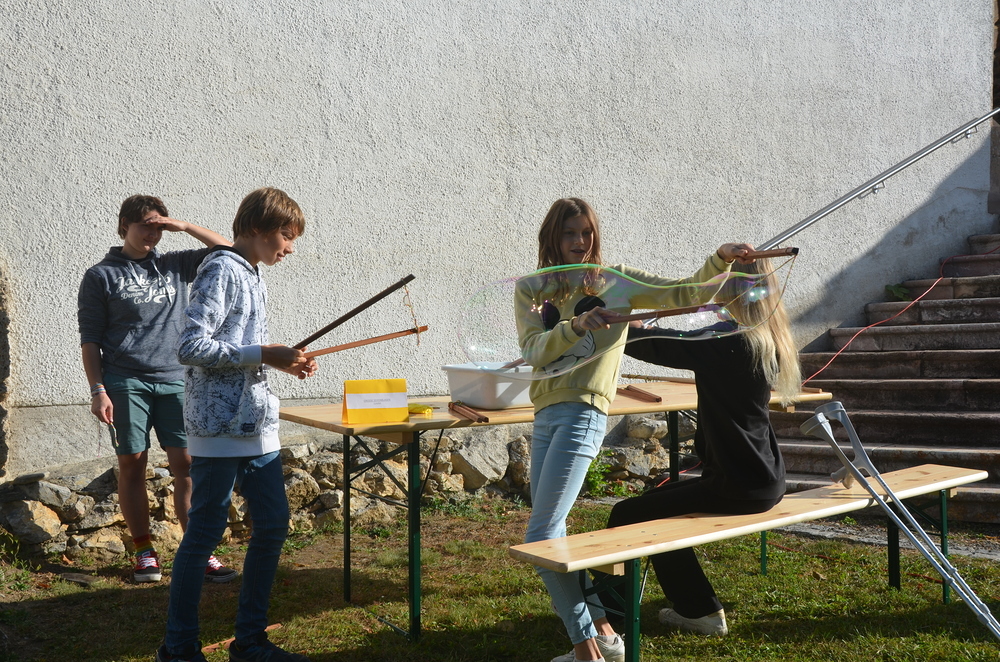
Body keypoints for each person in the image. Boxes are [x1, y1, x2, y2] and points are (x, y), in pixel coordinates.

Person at [515, 197, 752, 662]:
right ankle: (604, 634)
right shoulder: (531, 288)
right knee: (550, 533)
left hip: (583, 414)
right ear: (552, 238)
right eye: (569, 233)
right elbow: (533, 351)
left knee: (539, 535)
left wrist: (719, 259)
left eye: (586, 232)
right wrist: (574, 326)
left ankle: (588, 651)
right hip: (545, 416)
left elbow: (685, 293)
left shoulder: (615, 282)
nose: (579, 241)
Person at [156, 187, 318, 662]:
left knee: (273, 525)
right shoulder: (221, 269)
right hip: (219, 429)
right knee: (204, 535)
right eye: (286, 235)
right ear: (257, 229)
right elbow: (191, 347)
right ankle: (179, 648)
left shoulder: (252, 272)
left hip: (256, 424)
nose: (290, 247)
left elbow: (245, 350)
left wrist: (282, 361)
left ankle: (250, 641)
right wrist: (263, 353)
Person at [603, 257, 801, 637]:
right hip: (760, 478)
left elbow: (656, 346)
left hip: (738, 484)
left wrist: (621, 321)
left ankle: (609, 621)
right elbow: (682, 343)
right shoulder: (764, 338)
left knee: (628, 514)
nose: (713, 293)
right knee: (653, 504)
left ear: (733, 292)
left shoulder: (730, 343)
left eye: (720, 286)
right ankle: (698, 607)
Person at [78, 194, 238, 584]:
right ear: (124, 225)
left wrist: (183, 226)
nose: (152, 234)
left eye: (159, 227)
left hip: (176, 379)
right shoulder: (100, 275)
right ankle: (144, 552)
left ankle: (199, 551)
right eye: (145, 226)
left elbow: (229, 251)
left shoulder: (175, 264)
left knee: (188, 465)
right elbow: (90, 340)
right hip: (125, 381)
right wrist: (98, 389)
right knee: (133, 464)